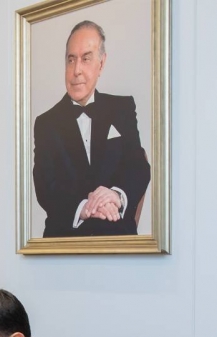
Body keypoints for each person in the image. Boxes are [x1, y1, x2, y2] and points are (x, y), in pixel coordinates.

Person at [32, 20, 151, 238]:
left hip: (118, 238)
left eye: (86, 59)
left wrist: (115, 196)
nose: (76, 70)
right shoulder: (45, 123)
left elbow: (138, 166)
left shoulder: (122, 108)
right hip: (64, 242)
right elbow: (45, 186)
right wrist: (84, 208)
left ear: (101, 64)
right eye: (71, 60)